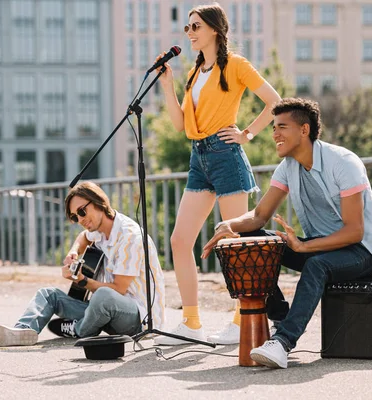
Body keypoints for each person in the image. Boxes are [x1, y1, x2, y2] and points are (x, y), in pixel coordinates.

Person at [202, 98, 372, 367]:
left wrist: (304, 247)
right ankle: (280, 317)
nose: (274, 133)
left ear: (304, 130)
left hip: (360, 251)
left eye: (282, 127)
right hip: (319, 247)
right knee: (251, 242)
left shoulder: (343, 162)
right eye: (273, 127)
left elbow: (355, 231)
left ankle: (283, 342)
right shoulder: (288, 167)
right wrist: (229, 226)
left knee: (317, 265)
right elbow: (259, 216)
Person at [153, 3, 281, 346]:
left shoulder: (236, 64)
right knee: (181, 240)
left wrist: (247, 134)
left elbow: (274, 101)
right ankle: (191, 322)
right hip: (199, 158)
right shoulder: (195, 73)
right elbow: (181, 125)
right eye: (187, 28)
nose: (190, 33)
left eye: (195, 26)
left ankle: (243, 319)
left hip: (225, 156)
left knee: (235, 244)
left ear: (214, 29)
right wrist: (167, 87)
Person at [0, 182, 166, 347]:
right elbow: (83, 237)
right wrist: (74, 252)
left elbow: (118, 289)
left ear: (99, 201)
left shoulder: (129, 236)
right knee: (48, 294)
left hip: (139, 319)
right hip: (103, 312)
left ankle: (79, 329)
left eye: (82, 212)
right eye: (75, 217)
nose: (81, 220)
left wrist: (83, 281)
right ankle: (22, 331)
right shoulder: (99, 230)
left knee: (103, 295)